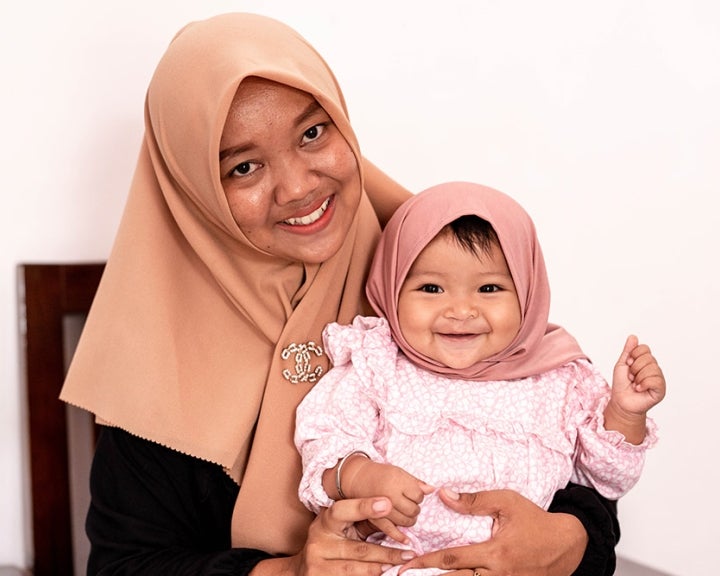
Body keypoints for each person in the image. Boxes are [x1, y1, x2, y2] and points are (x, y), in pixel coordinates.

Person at [59, 12, 620, 576]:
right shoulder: (157, 347)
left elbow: (568, 450)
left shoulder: (426, 269)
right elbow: (123, 565)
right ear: (195, 188)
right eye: (244, 166)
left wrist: (571, 538)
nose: (299, 187)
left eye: (312, 133)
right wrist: (286, 572)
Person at [296, 182, 665, 575]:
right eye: (431, 288)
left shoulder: (561, 379)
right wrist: (361, 474)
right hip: (403, 564)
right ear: (390, 289)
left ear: (528, 293)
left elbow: (604, 480)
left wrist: (625, 414)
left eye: (489, 288)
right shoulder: (379, 365)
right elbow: (326, 434)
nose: (461, 310)